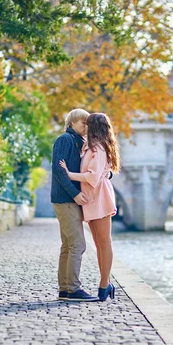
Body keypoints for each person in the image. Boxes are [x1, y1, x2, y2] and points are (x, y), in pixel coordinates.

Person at [60, 113, 120, 301]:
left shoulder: (99, 148)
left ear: (93, 127)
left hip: (99, 198)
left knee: (104, 242)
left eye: (87, 124)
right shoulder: (90, 147)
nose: (84, 126)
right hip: (92, 200)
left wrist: (69, 175)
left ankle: (104, 285)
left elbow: (93, 177)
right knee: (99, 244)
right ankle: (106, 283)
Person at [51, 109, 99, 302]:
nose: (86, 126)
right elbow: (58, 170)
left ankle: (65, 289)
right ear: (71, 123)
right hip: (66, 199)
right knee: (78, 244)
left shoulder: (78, 143)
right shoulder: (65, 140)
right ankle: (73, 289)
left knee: (68, 245)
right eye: (82, 122)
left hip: (66, 199)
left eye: (87, 123)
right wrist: (76, 193)